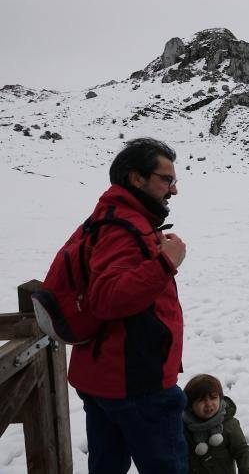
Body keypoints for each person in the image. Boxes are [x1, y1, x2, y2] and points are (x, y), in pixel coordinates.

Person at [68, 138, 188, 474]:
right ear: (137, 179)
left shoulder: (112, 217)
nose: (173, 190)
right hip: (136, 384)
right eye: (167, 180)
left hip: (105, 375)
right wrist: (166, 263)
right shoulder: (123, 227)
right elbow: (107, 298)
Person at [182, 374, 249, 474]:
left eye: (213, 398)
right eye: (202, 400)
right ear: (190, 405)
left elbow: (242, 451)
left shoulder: (229, 425)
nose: (208, 404)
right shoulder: (183, 427)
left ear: (220, 399)